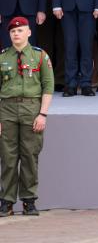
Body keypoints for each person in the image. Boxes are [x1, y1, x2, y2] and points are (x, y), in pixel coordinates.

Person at [0, 17, 54, 217]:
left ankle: (29, 201)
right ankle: (6, 201)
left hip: (32, 109)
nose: (16, 34)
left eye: (20, 30)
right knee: (8, 157)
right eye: (13, 31)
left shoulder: (40, 57)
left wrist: (43, 114)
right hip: (6, 109)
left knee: (30, 156)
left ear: (28, 33)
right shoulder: (3, 57)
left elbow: (48, 86)